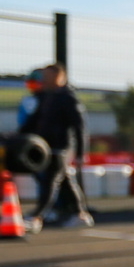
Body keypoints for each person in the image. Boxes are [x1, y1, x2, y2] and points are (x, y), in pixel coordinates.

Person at [27, 63, 93, 230]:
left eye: (49, 76)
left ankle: (37, 216)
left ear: (59, 78)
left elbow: (79, 127)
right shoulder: (46, 97)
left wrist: (79, 152)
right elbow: (34, 121)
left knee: (51, 179)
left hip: (60, 147)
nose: (45, 80)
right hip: (45, 146)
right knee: (64, 180)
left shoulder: (68, 99)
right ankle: (80, 214)